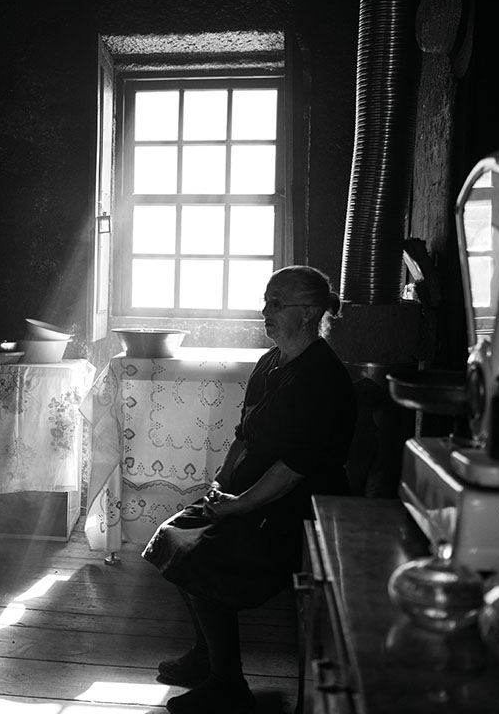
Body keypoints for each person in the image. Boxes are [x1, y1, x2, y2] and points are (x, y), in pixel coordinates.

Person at [142, 265, 356, 714]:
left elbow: (295, 468)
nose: (266, 312)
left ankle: (227, 684)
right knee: (173, 537)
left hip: (295, 509)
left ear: (311, 311)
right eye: (266, 302)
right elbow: (245, 436)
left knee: (202, 554)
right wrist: (219, 486)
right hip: (247, 497)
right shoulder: (271, 362)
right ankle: (207, 655)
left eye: (278, 303)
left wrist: (239, 504)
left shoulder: (323, 376)